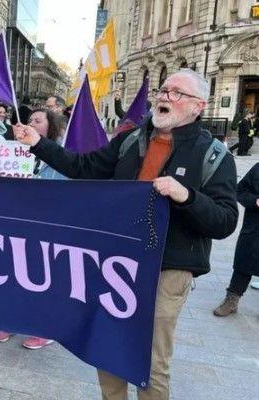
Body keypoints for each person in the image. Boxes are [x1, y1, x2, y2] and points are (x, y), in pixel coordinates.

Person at [13, 69, 238, 399]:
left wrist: (187, 196)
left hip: (168, 267)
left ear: (197, 106)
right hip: (116, 263)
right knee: (109, 348)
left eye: (176, 93)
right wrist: (39, 144)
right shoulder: (132, 140)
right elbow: (83, 168)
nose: (164, 96)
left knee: (150, 362)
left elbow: (225, 221)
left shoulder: (213, 155)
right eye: (163, 90)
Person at [0, 108, 67, 347]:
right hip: (18, 219)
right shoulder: (15, 150)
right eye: (30, 120)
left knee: (44, 276)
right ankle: (13, 320)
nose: (31, 123)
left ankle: (46, 327)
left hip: (48, 222)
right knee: (15, 273)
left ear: (50, 126)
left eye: (37, 120)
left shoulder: (62, 154)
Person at [213, 162, 259, 316]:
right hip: (254, 230)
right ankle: (232, 300)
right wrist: (255, 201)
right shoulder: (258, 168)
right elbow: (240, 190)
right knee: (244, 264)